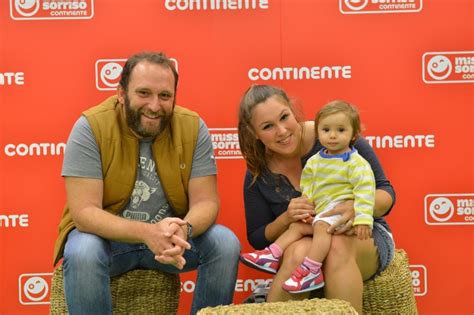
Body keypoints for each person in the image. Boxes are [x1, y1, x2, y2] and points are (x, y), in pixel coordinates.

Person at [52, 51, 240, 315]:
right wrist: (146, 233)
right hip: (109, 242)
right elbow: (84, 214)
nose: (154, 105)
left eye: (165, 96)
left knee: (224, 243)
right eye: (143, 93)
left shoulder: (193, 127)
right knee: (83, 250)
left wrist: (184, 229)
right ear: (121, 93)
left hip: (169, 240)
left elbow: (206, 200)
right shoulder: (90, 127)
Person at [237, 85, 395, 313]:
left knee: (337, 245)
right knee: (297, 253)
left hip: (363, 232)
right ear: (254, 133)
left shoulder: (334, 134)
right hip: (307, 239)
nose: (281, 131)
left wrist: (358, 206)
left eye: (284, 117)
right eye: (268, 126)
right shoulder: (258, 170)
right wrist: (286, 218)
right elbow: (258, 238)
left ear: (293, 111)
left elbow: (386, 193)